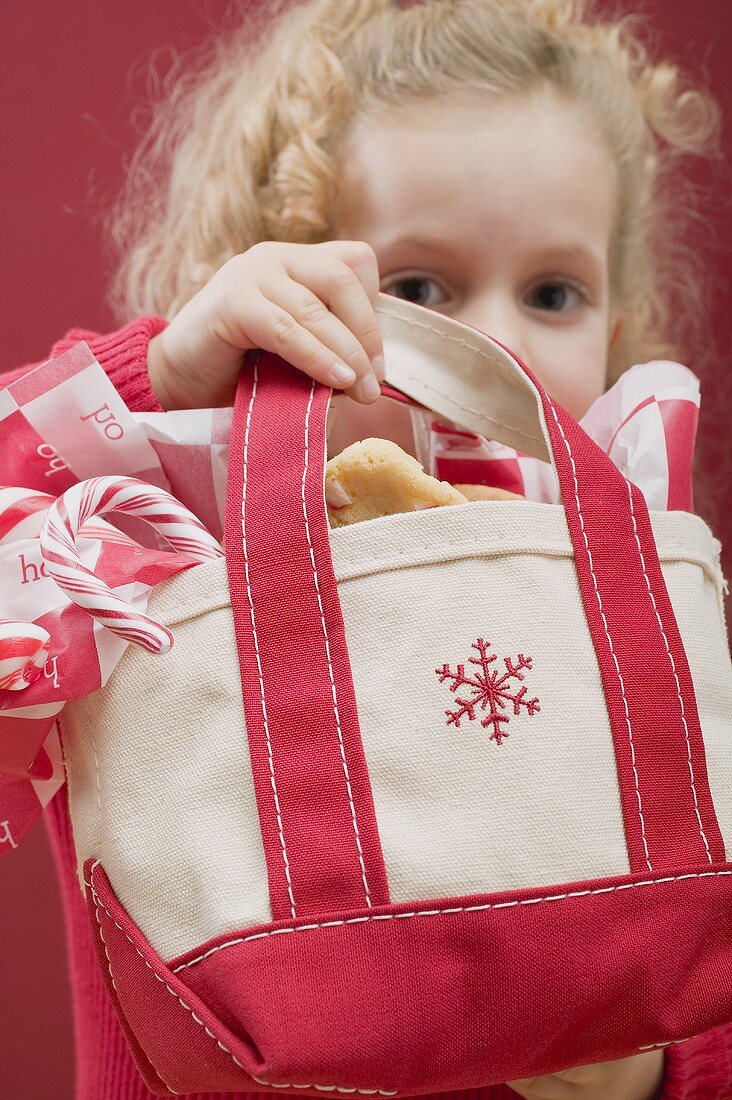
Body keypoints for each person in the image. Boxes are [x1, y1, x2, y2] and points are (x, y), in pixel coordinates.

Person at [4, 1, 730, 1097]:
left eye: (554, 292)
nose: (495, 341)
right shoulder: (160, 523)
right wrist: (173, 373)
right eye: (420, 289)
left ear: (619, 330)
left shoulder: (615, 586)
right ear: (271, 291)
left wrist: (650, 1061)